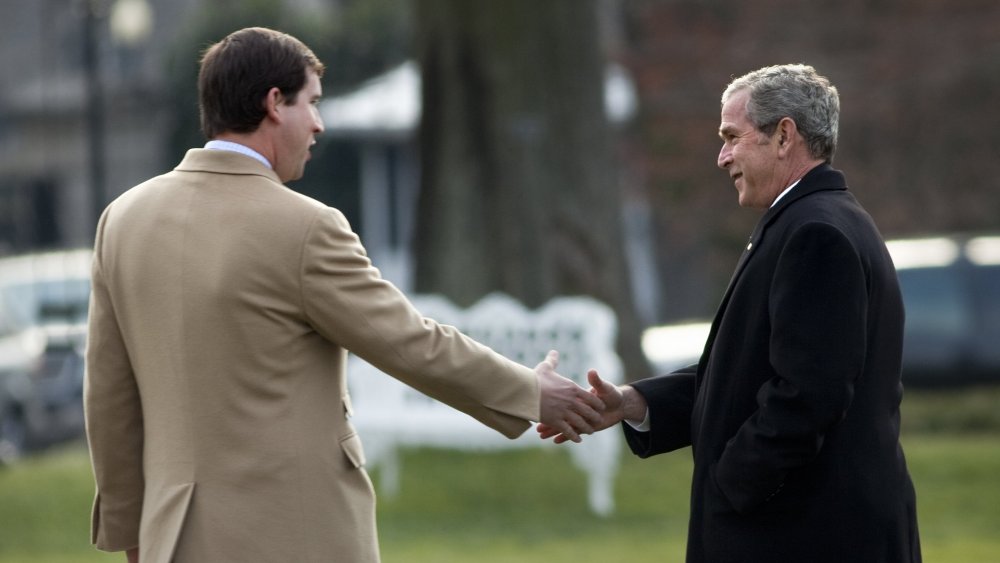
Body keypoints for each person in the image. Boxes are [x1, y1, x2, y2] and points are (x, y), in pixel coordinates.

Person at [84, 27, 602, 563]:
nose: (319, 124)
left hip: (172, 539)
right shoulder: (304, 227)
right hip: (298, 535)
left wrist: (133, 534)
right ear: (274, 104)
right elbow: (411, 343)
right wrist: (531, 392)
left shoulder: (122, 221)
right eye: (311, 103)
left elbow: (109, 399)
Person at [540, 64, 921, 562]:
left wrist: (733, 482)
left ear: (784, 135)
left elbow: (808, 396)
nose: (721, 158)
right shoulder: (808, 222)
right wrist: (634, 403)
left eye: (732, 137)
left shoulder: (816, 235)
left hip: (806, 538)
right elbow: (745, 372)